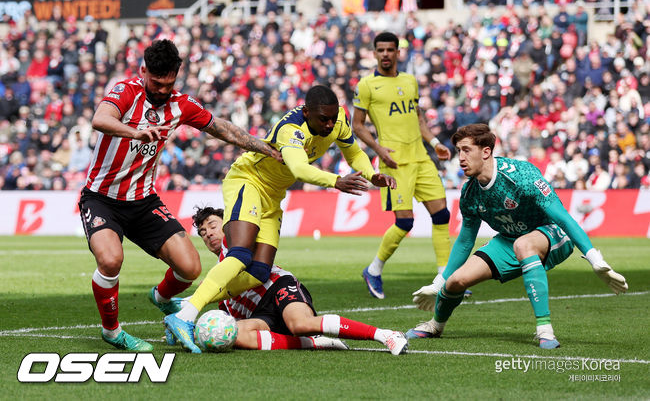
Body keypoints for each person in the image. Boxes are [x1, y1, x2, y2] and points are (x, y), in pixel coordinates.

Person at [78, 39, 281, 352]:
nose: (162, 90)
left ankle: (161, 297)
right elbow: (100, 119)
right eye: (156, 83)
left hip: (143, 201)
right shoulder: (126, 91)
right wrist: (134, 132)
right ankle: (112, 331)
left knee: (190, 268)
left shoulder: (181, 104)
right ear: (143, 71)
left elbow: (223, 129)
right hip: (102, 198)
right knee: (110, 259)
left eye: (168, 84)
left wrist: (265, 147)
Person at [164, 85, 396, 353]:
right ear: (306, 112)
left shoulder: (338, 119)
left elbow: (353, 152)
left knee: (259, 271)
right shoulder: (291, 130)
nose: (330, 124)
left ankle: (188, 303)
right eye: (323, 119)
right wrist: (336, 181)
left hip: (273, 195)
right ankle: (186, 315)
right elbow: (299, 168)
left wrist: (371, 174)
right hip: (248, 181)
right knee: (240, 254)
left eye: (333, 118)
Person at [407, 124, 628, 348]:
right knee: (456, 281)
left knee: (524, 245)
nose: (461, 158)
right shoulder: (470, 192)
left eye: (466, 150)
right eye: (458, 151)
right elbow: (465, 241)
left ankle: (545, 330)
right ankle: (435, 325)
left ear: (486, 152)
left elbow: (564, 218)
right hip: (510, 239)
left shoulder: (521, 176)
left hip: (552, 232)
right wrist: (439, 282)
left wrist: (595, 260)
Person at [176, 206, 408, 355]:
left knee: (301, 324)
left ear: (226, 224)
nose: (208, 233)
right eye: (203, 233)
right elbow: (227, 319)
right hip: (261, 316)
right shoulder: (218, 276)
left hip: (277, 287)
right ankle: (314, 342)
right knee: (234, 335)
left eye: (212, 226)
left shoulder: (236, 243)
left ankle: (385, 335)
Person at [352, 31, 455, 300]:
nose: (386, 54)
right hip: (394, 162)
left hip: (421, 158)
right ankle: (373, 270)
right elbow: (357, 125)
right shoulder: (366, 85)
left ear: (398, 52)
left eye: (390, 50)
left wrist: (435, 143)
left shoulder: (410, 81)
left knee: (442, 216)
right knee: (405, 222)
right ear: (375, 53)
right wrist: (378, 149)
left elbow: (418, 118)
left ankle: (444, 279)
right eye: (381, 50)